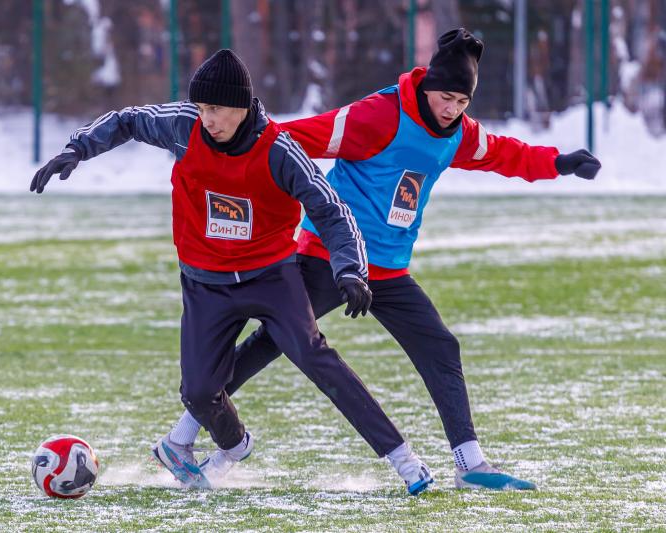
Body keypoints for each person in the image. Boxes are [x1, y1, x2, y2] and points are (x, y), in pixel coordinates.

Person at [165, 30, 601, 491]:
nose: (452, 108)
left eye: (461, 101)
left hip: (389, 269)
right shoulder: (379, 115)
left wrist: (559, 163)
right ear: (428, 85)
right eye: (445, 97)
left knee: (440, 346)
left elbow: (502, 154)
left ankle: (470, 465)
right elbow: (295, 139)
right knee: (273, 341)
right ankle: (183, 435)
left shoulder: (458, 134)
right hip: (327, 257)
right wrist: (232, 145)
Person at [30, 49, 436, 495]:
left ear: (243, 107)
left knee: (316, 357)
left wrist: (351, 269)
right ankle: (235, 445)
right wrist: (76, 149)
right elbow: (128, 119)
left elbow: (331, 210)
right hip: (205, 285)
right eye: (203, 108)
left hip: (272, 277)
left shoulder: (279, 150)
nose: (208, 119)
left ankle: (405, 462)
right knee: (199, 393)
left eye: (217, 109)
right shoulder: (184, 126)